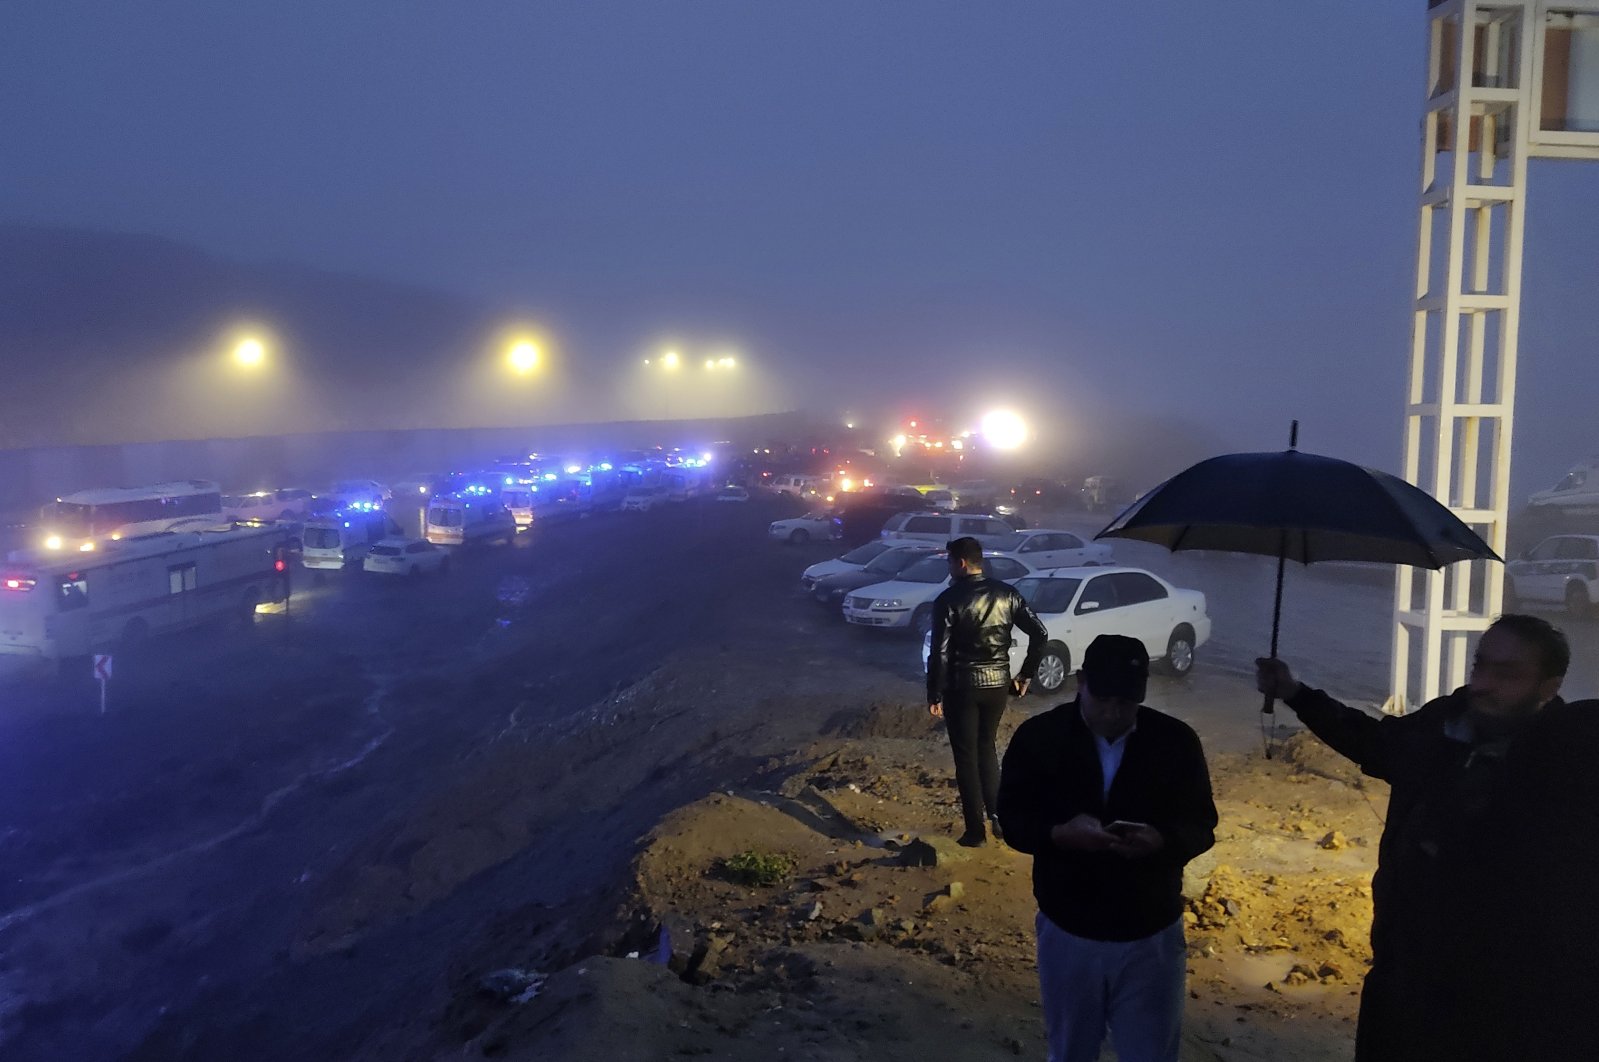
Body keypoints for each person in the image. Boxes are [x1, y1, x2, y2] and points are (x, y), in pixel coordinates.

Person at [1255, 614, 1599, 1062]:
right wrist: (1296, 694)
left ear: (1548, 688)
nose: (1483, 684)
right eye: (1481, 666)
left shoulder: (1564, 761)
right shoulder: (1447, 720)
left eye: (1507, 673)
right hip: (1402, 964)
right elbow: (1378, 744)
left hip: (1494, 996)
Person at [998, 634, 1217, 1062]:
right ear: (1081, 681)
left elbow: (1201, 825)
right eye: (1104, 697)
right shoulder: (1040, 738)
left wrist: (1163, 841)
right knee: (1070, 1051)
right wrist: (1061, 834)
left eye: (1127, 700)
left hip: (1150, 933)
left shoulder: (1175, 742)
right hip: (1069, 929)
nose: (1114, 711)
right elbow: (1015, 822)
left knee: (1151, 1053)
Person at [926, 536, 1048, 846]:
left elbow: (939, 653)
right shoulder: (1008, 594)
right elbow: (1040, 632)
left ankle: (974, 832)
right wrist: (1026, 674)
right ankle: (998, 818)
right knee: (987, 749)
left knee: (966, 758)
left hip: (961, 687)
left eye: (950, 562)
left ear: (961, 563)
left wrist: (934, 693)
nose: (949, 567)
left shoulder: (948, 599)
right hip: (997, 685)